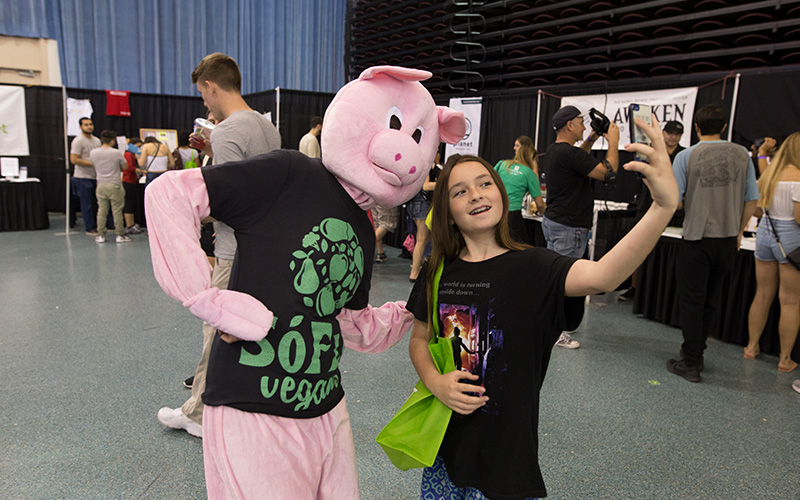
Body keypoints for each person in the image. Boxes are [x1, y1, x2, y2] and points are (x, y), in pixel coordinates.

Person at [145, 65, 466, 499]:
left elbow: (353, 324)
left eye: (416, 139)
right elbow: (169, 195)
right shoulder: (289, 173)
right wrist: (207, 298)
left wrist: (413, 306)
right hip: (253, 401)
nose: (404, 154)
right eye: (394, 125)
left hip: (326, 406)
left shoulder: (360, 221)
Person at [406, 115, 678, 500]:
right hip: (445, 452)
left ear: (502, 193)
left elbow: (602, 276)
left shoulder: (535, 267)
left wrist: (661, 209)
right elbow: (419, 339)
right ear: (446, 210)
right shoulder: (439, 272)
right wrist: (436, 383)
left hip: (507, 459)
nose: (477, 195)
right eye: (460, 191)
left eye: (485, 184)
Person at [156, 52, 281, 438]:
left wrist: (187, 210)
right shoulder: (266, 127)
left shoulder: (227, 132)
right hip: (264, 246)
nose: (204, 103)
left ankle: (196, 414)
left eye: (203, 95)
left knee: (216, 328)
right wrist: (212, 155)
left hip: (232, 249)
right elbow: (257, 185)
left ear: (211, 86)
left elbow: (228, 200)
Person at [668, 104, 759, 383]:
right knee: (710, 301)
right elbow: (752, 199)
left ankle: (691, 363)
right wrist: (739, 231)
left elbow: (677, 201)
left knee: (692, 302)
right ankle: (696, 353)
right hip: (727, 240)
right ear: (722, 127)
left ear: (696, 127)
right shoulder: (743, 154)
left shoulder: (685, 156)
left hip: (697, 237)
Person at [540, 105, 620, 349]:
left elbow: (580, 158)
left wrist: (593, 137)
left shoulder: (557, 151)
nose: (584, 126)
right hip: (569, 227)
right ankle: (557, 332)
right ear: (569, 125)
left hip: (556, 222)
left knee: (555, 276)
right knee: (566, 281)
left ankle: (550, 326)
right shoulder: (569, 154)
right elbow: (610, 173)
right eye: (580, 122)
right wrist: (614, 142)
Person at [746, 131, 800, 373]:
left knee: (762, 295)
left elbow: (756, 211)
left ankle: (751, 346)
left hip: (766, 234)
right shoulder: (799, 178)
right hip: (790, 238)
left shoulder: (768, 177)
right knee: (790, 301)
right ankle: (785, 358)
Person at [621, 120, 686, 301]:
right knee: (637, 247)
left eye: (677, 134)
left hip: (674, 211)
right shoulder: (653, 152)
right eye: (670, 133)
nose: (673, 137)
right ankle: (634, 287)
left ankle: (660, 293)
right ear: (663, 133)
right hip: (646, 205)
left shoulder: (682, 155)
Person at [494, 141, 546, 244]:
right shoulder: (529, 173)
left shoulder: (501, 164)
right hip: (512, 216)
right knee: (520, 247)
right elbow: (539, 203)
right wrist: (544, 214)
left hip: (496, 211)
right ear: (533, 159)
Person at [89, 130, 131, 243]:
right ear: (113, 140)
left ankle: (100, 235)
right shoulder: (116, 153)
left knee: (102, 211)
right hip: (114, 184)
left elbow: (94, 165)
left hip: (100, 184)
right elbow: (125, 167)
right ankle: (120, 235)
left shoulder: (93, 152)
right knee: (117, 211)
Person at [70, 117, 101, 235]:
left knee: (96, 204)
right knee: (86, 203)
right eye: (86, 124)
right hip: (82, 177)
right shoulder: (78, 141)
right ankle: (90, 227)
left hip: (96, 176)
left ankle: (98, 224)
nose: (89, 126)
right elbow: (74, 159)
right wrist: (91, 163)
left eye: (91, 124)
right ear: (81, 127)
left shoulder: (97, 141)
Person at [122, 137, 145, 235]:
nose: (139, 149)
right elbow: (129, 167)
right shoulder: (128, 154)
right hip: (128, 181)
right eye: (138, 146)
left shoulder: (131, 154)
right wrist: (141, 170)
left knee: (131, 203)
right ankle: (129, 225)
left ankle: (131, 224)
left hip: (132, 181)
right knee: (128, 204)